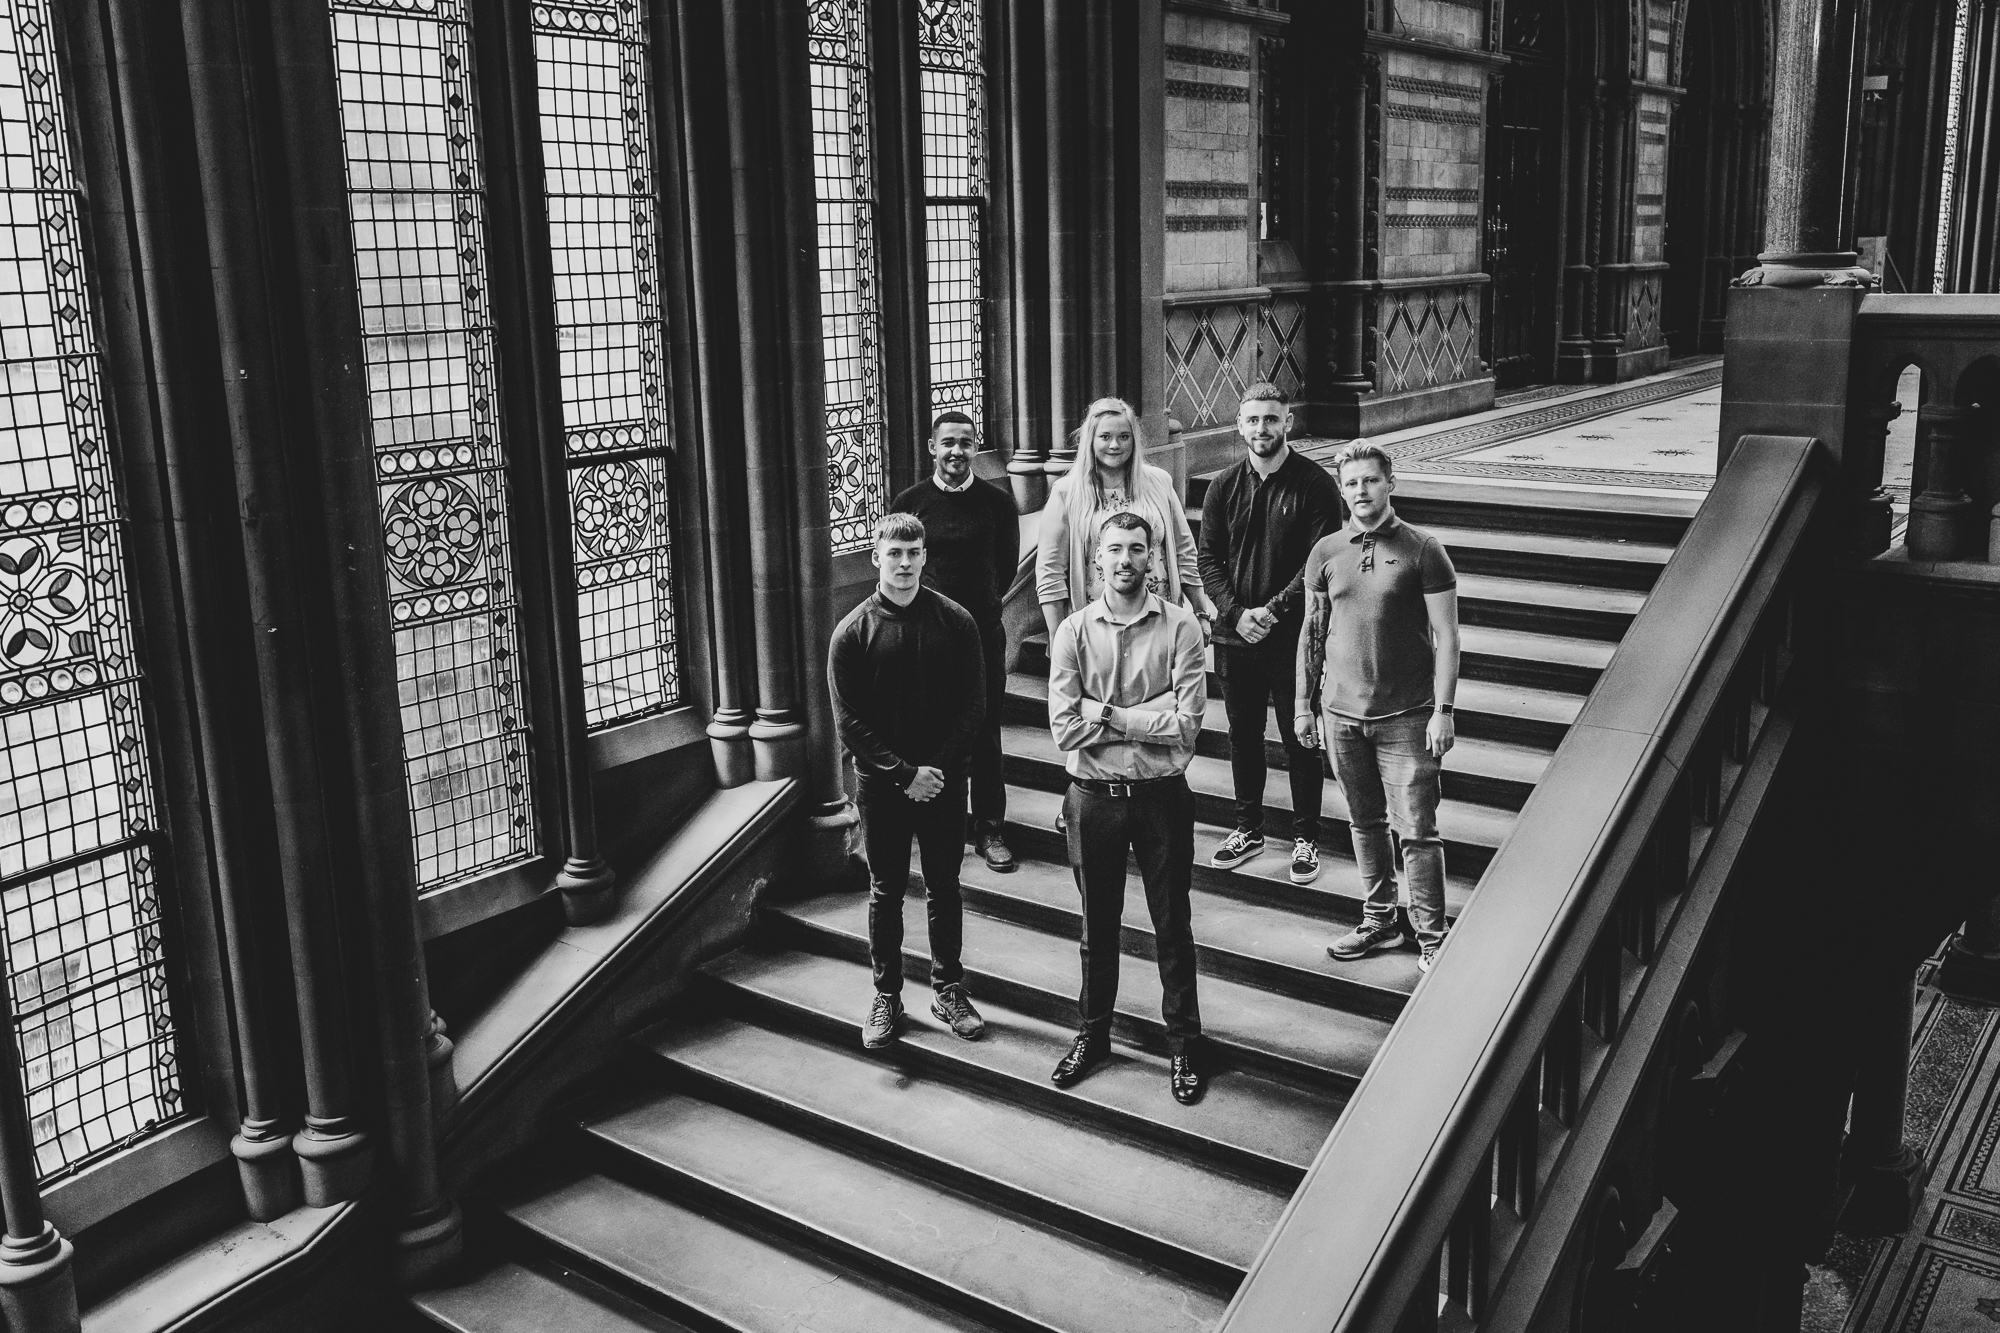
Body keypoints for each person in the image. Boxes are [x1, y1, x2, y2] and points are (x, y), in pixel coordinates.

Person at [1045, 511, 1209, 1104]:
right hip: (1092, 801)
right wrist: (1150, 717)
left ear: (1152, 558)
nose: (1124, 560)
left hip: (1162, 799)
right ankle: (1094, 1034)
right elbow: (1064, 730)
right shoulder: (1072, 632)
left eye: (1136, 550)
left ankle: (1185, 1043)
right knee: (1097, 928)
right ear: (1096, 558)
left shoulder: (1182, 628)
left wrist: (1107, 714)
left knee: (1172, 924)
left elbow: (1189, 724)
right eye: (1113, 550)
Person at [1294, 443, 1461, 973]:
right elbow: (1312, 631)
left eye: (1370, 480)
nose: (1360, 491)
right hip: (1341, 713)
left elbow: (1448, 635)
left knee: (1415, 829)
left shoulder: (1423, 549)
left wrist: (1444, 710)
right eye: (1351, 483)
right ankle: (1379, 918)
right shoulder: (1325, 552)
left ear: (1390, 483)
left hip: (1407, 715)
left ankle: (1432, 934)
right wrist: (1304, 706)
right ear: (1341, 490)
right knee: (1364, 822)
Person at [829, 513, 989, 1049]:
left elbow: (973, 706)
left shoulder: (956, 622)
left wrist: (934, 772)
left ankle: (947, 988)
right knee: (885, 891)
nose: (904, 563)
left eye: (913, 553)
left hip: (942, 783)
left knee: (945, 887)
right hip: (882, 788)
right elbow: (849, 723)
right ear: (877, 557)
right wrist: (904, 775)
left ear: (925, 556)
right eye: (893, 553)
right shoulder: (852, 633)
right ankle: (887, 996)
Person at [1198, 382, 1344, 885]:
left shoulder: (1316, 485)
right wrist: (1235, 613)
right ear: (1239, 426)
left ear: (1289, 422)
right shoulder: (1222, 486)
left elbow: (1318, 563)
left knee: (1299, 736)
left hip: (1292, 639)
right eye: (1253, 420)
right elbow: (1207, 560)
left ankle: (1306, 838)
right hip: (1234, 638)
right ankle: (1248, 828)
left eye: (1271, 419)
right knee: (1243, 737)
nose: (1262, 429)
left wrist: (1273, 612)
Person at [890, 412, 1022, 874]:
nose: (956, 452)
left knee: (984, 730)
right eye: (948, 443)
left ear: (974, 448)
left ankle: (989, 828)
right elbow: (900, 566)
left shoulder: (997, 502)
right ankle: (939, 826)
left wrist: (976, 613)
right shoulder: (910, 502)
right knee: (929, 729)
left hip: (981, 636)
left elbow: (1006, 568)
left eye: (966, 444)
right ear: (932, 447)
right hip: (925, 638)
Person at [1036, 396, 1216, 644]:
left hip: (1160, 619)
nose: (1115, 445)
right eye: (1105, 436)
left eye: (1124, 436)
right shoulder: (1067, 493)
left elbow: (1185, 551)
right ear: (1091, 440)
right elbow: (1050, 572)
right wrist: (1058, 637)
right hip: (1097, 628)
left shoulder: (1159, 482)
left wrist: (1200, 610)